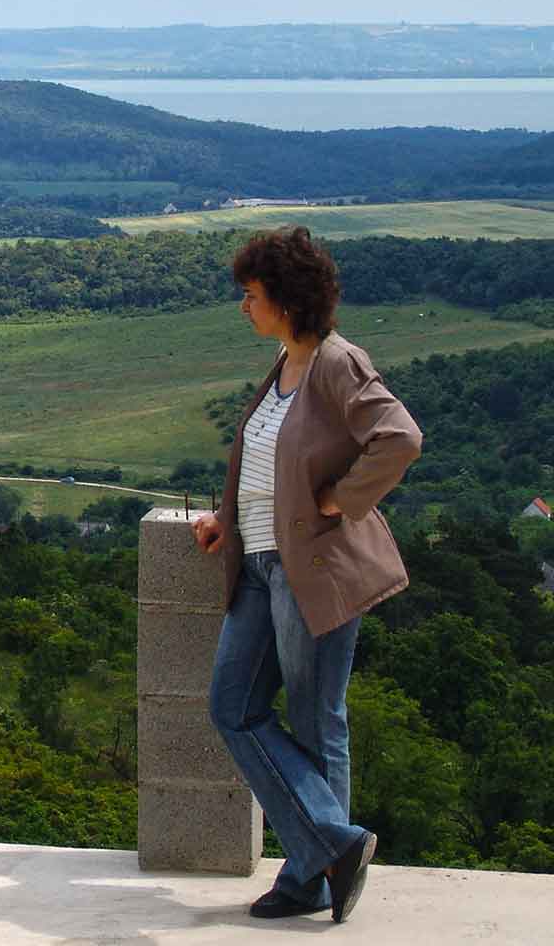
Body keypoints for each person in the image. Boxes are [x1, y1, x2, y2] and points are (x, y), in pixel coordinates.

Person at [190, 226, 422, 923]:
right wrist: (227, 521)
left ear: (287, 301)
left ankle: (311, 877)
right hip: (258, 565)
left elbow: (400, 437)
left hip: (309, 570)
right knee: (232, 708)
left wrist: (337, 500)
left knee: (318, 725)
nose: (244, 307)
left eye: (252, 296)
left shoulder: (335, 361)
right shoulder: (284, 365)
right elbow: (271, 464)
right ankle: (334, 847)